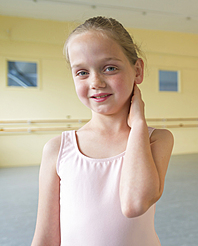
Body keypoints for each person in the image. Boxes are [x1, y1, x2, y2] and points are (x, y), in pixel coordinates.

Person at [31, 16, 174, 246]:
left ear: (137, 70)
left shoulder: (156, 140)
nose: (96, 81)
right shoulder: (58, 149)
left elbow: (134, 203)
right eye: (82, 72)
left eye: (110, 68)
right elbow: (45, 238)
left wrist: (138, 124)